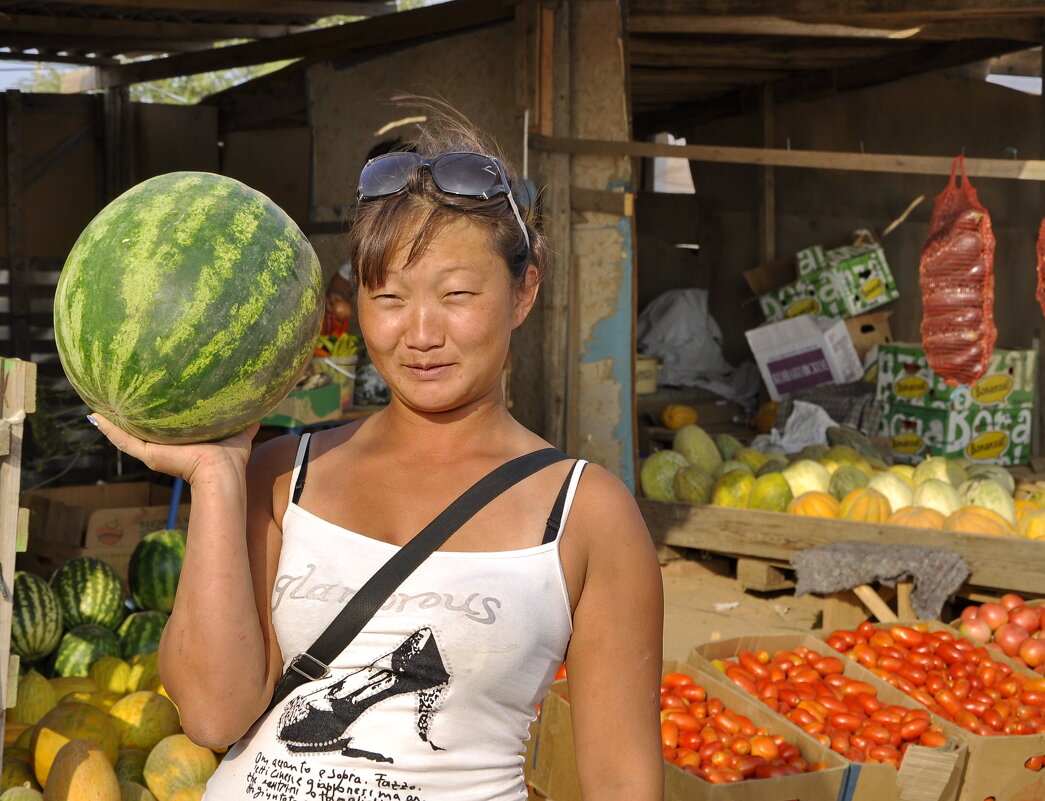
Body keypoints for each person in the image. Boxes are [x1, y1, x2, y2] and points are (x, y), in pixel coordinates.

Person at [89, 102, 664, 801]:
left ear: (523, 291)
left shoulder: (586, 514)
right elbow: (213, 714)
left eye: (456, 294)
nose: (419, 333)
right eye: (387, 296)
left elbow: (623, 782)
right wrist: (217, 475)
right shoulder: (281, 475)